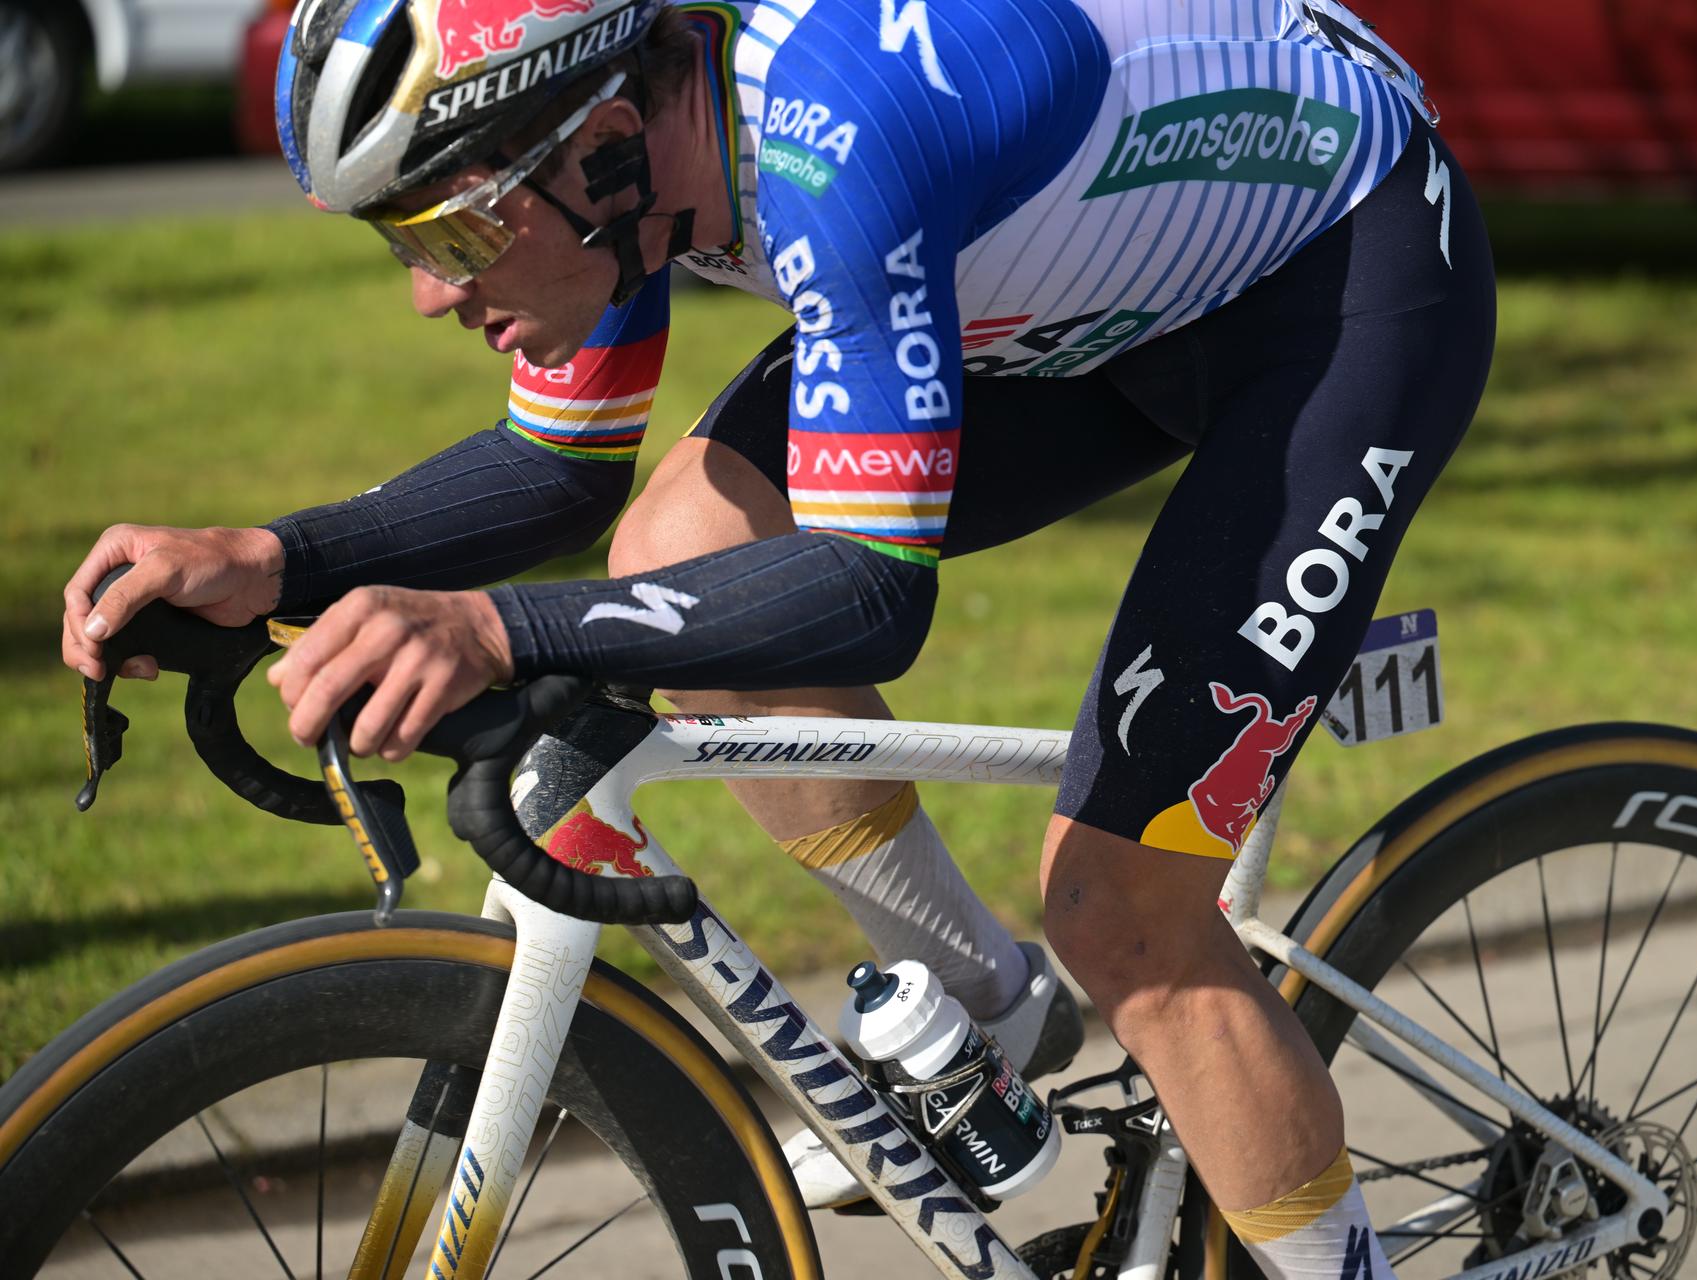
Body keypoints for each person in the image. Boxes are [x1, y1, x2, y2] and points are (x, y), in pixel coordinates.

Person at [61, 0, 1495, 1271]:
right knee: (683, 552)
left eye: (451, 229)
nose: (434, 290)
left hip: (1334, 288)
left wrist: (496, 631)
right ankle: (987, 1007)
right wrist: (277, 558)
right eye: (404, 239)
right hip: (1079, 304)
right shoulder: (627, 159)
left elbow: (876, 586)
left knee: (1126, 912)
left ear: (605, 147)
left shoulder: (836, 141)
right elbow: (559, 473)